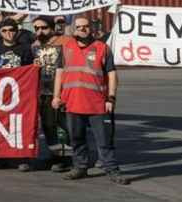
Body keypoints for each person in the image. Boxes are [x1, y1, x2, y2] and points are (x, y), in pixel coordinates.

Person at [52, 15, 128, 184]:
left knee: (104, 140)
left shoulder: (102, 48)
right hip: (72, 103)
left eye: (86, 26)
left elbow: (112, 74)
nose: (83, 29)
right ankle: (80, 167)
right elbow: (59, 74)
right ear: (74, 29)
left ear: (91, 28)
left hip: (97, 104)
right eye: (79, 27)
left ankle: (112, 170)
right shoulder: (65, 48)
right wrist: (56, 96)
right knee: (76, 139)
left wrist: (111, 98)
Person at [30, 15, 70, 172]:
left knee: (64, 127)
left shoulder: (65, 42)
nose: (40, 31)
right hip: (43, 92)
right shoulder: (34, 46)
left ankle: (67, 158)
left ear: (52, 27)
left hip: (62, 91)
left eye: (44, 27)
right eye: (36, 28)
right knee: (48, 127)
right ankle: (55, 156)